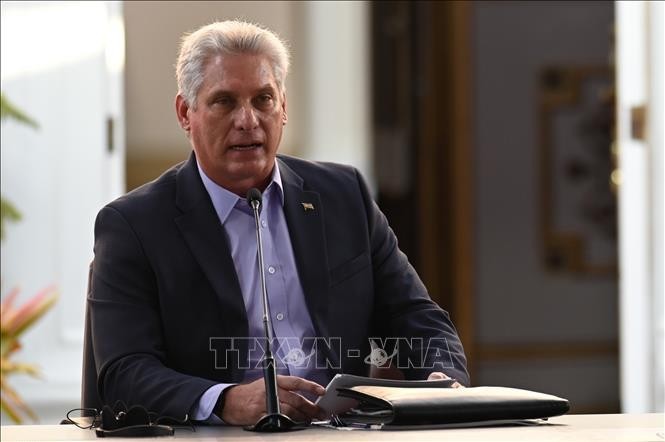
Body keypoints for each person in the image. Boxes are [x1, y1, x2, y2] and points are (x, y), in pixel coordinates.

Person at [89, 20, 468, 427]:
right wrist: (226, 401)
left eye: (263, 99)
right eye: (225, 102)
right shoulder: (134, 225)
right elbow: (124, 372)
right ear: (186, 112)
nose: (248, 120)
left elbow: (417, 317)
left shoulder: (344, 196)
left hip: (340, 432)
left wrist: (438, 378)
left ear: (283, 107)